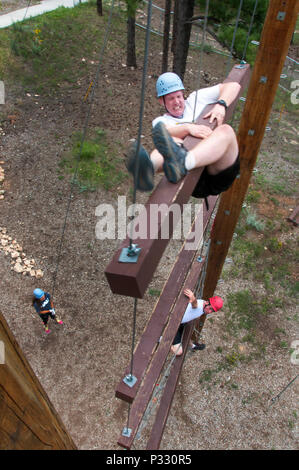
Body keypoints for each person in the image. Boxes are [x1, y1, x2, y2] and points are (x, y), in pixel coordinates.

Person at [126, 72, 241, 199]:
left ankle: (185, 161)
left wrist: (221, 104)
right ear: (161, 101)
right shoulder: (161, 121)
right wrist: (188, 128)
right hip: (194, 181)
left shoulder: (196, 99)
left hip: (218, 174)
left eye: (179, 96)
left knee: (226, 131)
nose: (177, 102)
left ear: (183, 94)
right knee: (170, 142)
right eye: (170, 98)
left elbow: (234, 86)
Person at [171, 288, 223, 356]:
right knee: (178, 352)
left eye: (212, 311)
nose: (210, 312)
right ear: (207, 302)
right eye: (210, 309)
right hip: (173, 323)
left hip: (181, 322)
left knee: (186, 335)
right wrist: (193, 298)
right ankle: (163, 339)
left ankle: (193, 346)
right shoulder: (199, 305)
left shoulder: (204, 306)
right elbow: (195, 305)